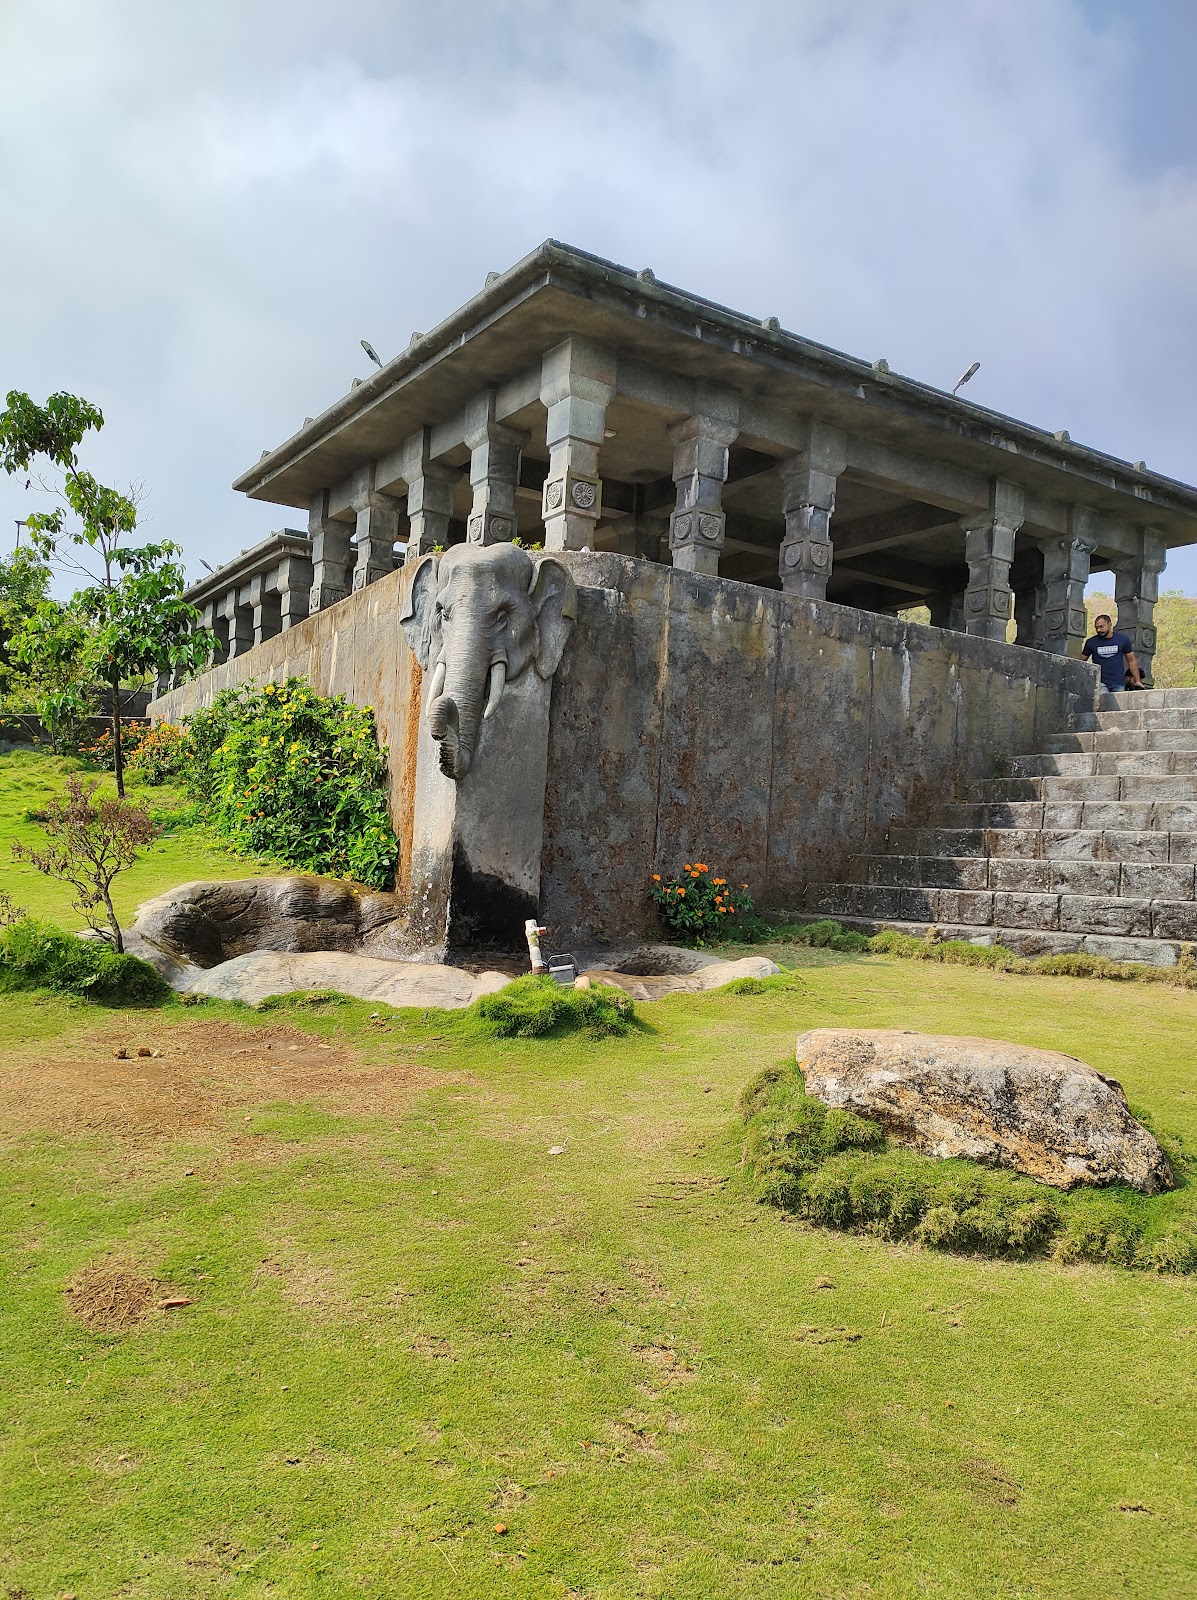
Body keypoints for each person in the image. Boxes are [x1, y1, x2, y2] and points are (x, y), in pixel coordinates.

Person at [1081, 613, 1143, 694]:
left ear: (1110, 624)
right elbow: (1081, 662)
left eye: (1101, 626)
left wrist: (1137, 680)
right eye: (1096, 628)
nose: (1098, 630)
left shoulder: (1122, 640)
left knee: (1118, 705)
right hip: (1100, 682)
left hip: (1118, 682)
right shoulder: (1091, 642)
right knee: (1104, 703)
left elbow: (1132, 661)